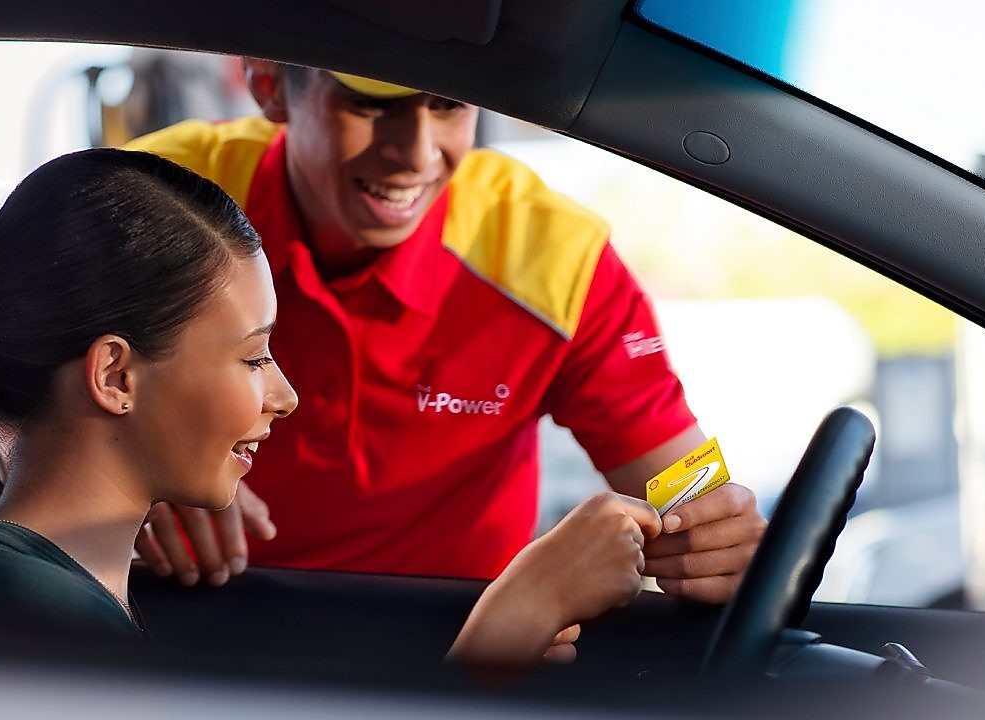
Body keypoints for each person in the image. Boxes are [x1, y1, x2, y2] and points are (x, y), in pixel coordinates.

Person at [0, 147, 664, 667]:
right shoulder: (11, 610)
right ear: (115, 375)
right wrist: (502, 637)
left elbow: (684, 466)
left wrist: (705, 503)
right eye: (252, 358)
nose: (286, 396)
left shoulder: (63, 593)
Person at [123, 62, 766, 602]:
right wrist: (131, 464)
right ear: (269, 83)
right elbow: (57, 407)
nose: (417, 154)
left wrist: (721, 534)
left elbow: (690, 496)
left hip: (463, 660)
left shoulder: (553, 259)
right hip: (178, 642)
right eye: (373, 104)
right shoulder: (150, 202)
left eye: (449, 103)